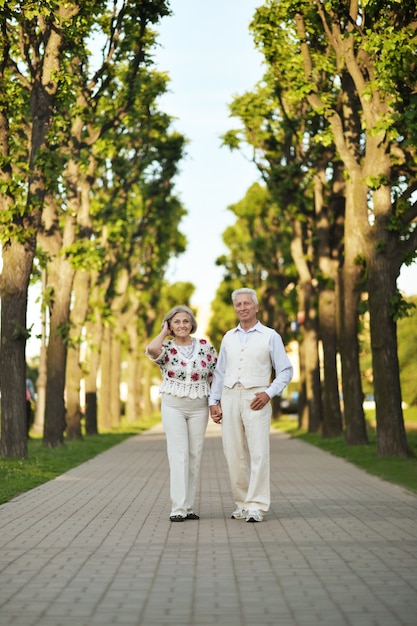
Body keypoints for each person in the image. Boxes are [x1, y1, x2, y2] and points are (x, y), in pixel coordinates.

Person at [209, 288, 293, 523]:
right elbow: (220, 371)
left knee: (258, 452)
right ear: (235, 308)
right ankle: (242, 503)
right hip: (229, 396)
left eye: (247, 303)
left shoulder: (270, 335)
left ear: (256, 307)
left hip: (256, 397)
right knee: (233, 453)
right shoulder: (229, 337)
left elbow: (285, 370)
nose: (243, 307)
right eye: (238, 304)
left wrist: (269, 393)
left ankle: (257, 504)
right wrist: (213, 401)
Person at [146, 305, 217, 522]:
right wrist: (163, 332)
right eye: (176, 322)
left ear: (192, 324)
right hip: (173, 405)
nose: (182, 325)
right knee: (178, 454)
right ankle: (177, 508)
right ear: (170, 325)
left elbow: (215, 375)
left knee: (194, 454)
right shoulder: (166, 347)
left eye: (186, 321)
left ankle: (188, 506)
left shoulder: (205, 346)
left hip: (198, 406)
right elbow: (151, 350)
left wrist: (216, 402)